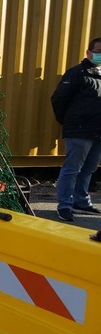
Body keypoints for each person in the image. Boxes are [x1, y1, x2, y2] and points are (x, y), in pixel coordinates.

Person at [51, 37, 101, 222]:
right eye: (98, 52)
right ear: (89, 53)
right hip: (79, 130)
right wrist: (69, 122)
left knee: (89, 169)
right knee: (72, 169)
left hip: (98, 132)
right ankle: (64, 205)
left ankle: (81, 200)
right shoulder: (76, 74)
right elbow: (58, 99)